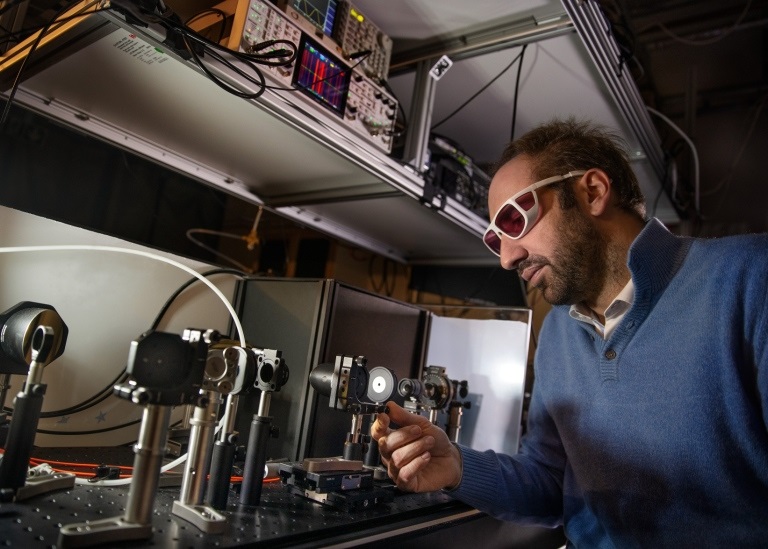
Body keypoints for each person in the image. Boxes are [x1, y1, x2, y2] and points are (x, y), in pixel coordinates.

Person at [372, 118, 768, 547]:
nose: (507, 257)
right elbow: (550, 484)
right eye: (494, 238)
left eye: (514, 218)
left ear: (593, 192)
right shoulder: (560, 332)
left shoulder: (750, 280)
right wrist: (456, 466)